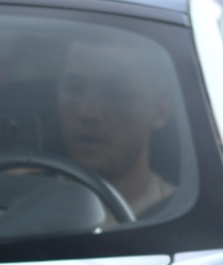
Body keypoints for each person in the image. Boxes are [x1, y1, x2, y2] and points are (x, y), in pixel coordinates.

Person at [58, 39, 176, 215]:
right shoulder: (17, 209)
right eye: (75, 89)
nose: (89, 113)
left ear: (159, 112)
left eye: (114, 93)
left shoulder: (184, 220)